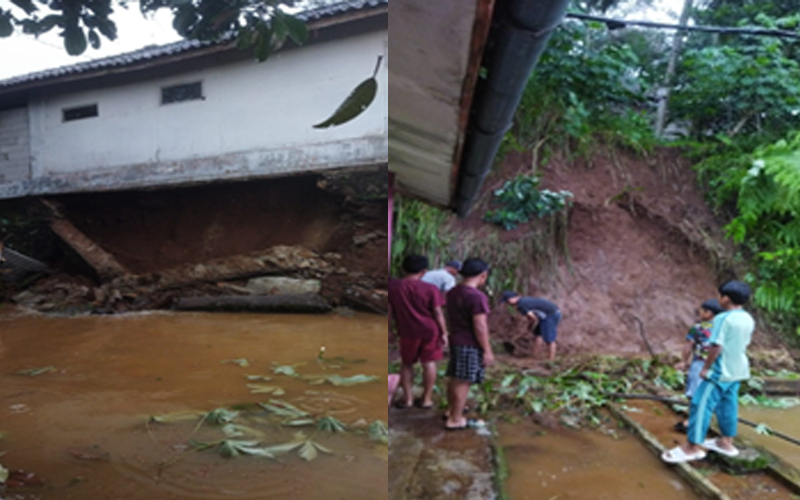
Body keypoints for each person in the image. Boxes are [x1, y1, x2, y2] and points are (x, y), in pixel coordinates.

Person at [662, 280, 755, 463]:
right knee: (728, 405)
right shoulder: (747, 318)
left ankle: (692, 447)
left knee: (700, 404)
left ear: (726, 298)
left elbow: (716, 346)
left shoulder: (723, 318)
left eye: (720, 295)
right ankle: (725, 442)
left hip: (720, 371)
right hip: (738, 369)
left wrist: (706, 368)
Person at [388, 254, 449, 409]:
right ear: (423, 271)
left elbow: (389, 312)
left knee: (407, 363)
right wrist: (444, 332)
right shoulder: (430, 289)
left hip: (407, 331)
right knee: (429, 363)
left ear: (403, 269)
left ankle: (408, 399)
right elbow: (437, 313)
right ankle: (426, 399)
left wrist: (389, 330)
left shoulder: (393, 287)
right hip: (429, 330)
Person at [444, 258, 494, 430]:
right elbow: (480, 326)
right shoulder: (476, 297)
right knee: (464, 380)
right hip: (470, 343)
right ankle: (456, 419)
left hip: (456, 339)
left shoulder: (453, 292)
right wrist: (487, 350)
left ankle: (451, 411)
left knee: (456, 377)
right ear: (483, 275)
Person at [673, 298, 725, 433]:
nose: (700, 313)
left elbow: (688, 346)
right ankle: (706, 420)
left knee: (694, 392)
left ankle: (692, 421)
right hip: (718, 365)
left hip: (700, 363)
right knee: (711, 393)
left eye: (702, 311)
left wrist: (684, 361)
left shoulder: (698, 328)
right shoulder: (723, 328)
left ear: (709, 313)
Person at [501, 291, 561, 361]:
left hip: (550, 315)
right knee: (537, 334)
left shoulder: (521, 305)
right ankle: (535, 356)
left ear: (512, 299)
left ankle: (551, 360)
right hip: (547, 315)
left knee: (549, 339)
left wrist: (529, 327)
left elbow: (532, 317)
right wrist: (530, 327)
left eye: (507, 301)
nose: (508, 303)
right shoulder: (524, 300)